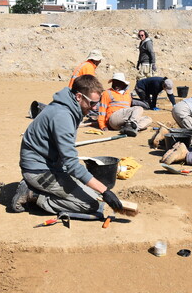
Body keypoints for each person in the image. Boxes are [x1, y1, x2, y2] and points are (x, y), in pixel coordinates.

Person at [11, 74, 125, 216]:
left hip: (52, 166)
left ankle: (38, 188)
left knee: (94, 194)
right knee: (90, 204)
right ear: (79, 97)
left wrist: (99, 190)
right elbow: (71, 163)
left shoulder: (68, 108)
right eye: (92, 103)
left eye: (98, 103)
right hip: (39, 171)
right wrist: (105, 191)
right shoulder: (62, 116)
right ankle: (33, 195)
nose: (95, 108)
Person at [98, 72, 152, 138]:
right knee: (138, 108)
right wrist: (102, 125)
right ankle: (131, 126)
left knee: (148, 119)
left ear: (123, 84)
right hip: (113, 119)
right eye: (114, 82)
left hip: (124, 121)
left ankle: (132, 128)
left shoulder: (127, 94)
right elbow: (102, 109)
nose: (115, 85)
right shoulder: (107, 93)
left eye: (118, 83)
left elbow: (129, 108)